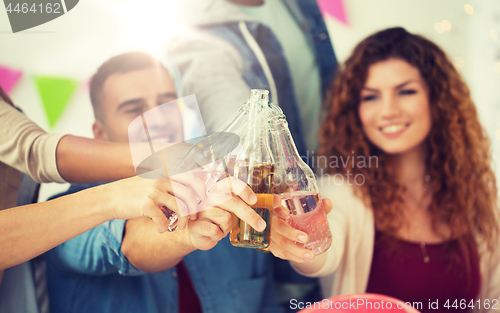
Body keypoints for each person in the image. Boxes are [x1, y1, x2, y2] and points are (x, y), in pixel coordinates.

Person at [45, 52, 307, 313]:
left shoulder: (233, 198)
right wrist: (190, 229)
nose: (158, 120)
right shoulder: (64, 215)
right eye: (134, 110)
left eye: (167, 104)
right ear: (99, 135)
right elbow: (130, 244)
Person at [289, 27, 500, 310]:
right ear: (355, 110)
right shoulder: (339, 193)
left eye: (406, 91)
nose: (388, 110)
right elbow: (319, 260)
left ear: (437, 99)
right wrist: (297, 237)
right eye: (370, 97)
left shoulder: (478, 196)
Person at [168, 0, 337, 307]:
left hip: (343, 195)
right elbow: (234, 134)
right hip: (292, 231)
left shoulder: (299, 5)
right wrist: (257, 198)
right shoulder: (199, 35)